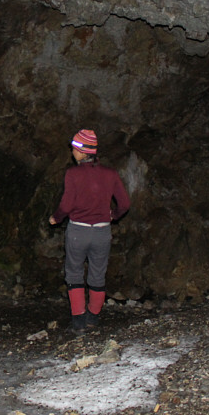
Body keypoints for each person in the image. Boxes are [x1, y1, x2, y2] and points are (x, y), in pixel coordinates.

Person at [49, 129, 130, 335]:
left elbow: (66, 205)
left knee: (74, 272)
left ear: (84, 151)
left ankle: (78, 321)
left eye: (75, 148)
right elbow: (125, 203)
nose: (72, 151)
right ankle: (93, 317)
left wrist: (56, 218)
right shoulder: (110, 174)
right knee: (98, 273)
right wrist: (114, 215)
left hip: (78, 231)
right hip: (102, 232)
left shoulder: (73, 174)